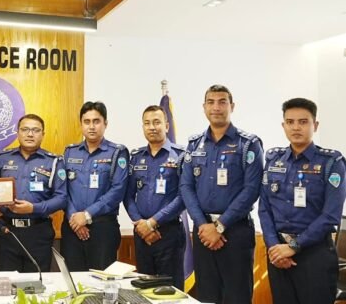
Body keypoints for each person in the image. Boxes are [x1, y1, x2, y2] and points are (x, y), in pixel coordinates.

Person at [180, 85, 263, 304]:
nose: (216, 107)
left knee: (237, 297)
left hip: (235, 232)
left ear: (232, 106)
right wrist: (203, 225)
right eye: (211, 102)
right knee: (207, 296)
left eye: (222, 102)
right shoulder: (194, 144)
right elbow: (186, 187)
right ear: (204, 107)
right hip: (203, 233)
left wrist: (219, 226)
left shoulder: (248, 144)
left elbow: (251, 189)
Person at [258, 98, 346, 304]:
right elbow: (264, 208)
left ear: (315, 125)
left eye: (303, 122)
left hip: (314, 255)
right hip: (278, 255)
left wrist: (294, 246)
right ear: (283, 126)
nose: (296, 127)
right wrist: (274, 247)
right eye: (290, 122)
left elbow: (330, 216)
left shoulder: (331, 163)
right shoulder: (274, 160)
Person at [0, 114, 67, 272]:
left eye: (35, 130)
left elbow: (62, 198)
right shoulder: (3, 158)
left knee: (36, 283)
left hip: (38, 232)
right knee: (8, 282)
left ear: (42, 134)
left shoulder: (54, 161)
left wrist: (33, 208)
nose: (30, 134)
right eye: (25, 129)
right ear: (17, 132)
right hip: (8, 232)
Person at [61, 101, 129, 271]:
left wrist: (86, 215)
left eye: (96, 121)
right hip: (72, 228)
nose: (91, 126)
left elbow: (117, 191)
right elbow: (62, 190)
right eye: (87, 121)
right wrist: (75, 219)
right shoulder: (70, 152)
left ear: (105, 123)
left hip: (102, 229)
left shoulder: (117, 152)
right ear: (81, 124)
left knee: (101, 281)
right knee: (73, 280)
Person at [123, 105, 186, 290]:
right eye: (147, 123)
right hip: (141, 234)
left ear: (166, 125)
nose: (152, 127)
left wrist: (152, 222)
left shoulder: (181, 156)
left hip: (169, 233)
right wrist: (141, 224)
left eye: (157, 122)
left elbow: (184, 197)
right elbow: (127, 195)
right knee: (144, 289)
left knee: (170, 291)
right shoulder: (136, 157)